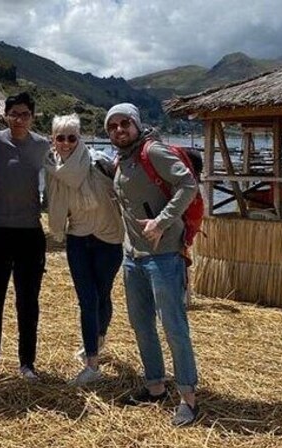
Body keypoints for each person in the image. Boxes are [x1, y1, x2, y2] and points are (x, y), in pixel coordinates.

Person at [105, 103, 201, 427]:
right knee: (141, 324)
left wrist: (161, 222)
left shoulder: (153, 151)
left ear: (136, 124)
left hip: (164, 257)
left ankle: (188, 397)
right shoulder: (122, 160)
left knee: (174, 326)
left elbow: (188, 184)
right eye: (112, 126)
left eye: (124, 124)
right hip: (133, 257)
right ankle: (155, 386)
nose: (119, 130)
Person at [0, 92, 50, 384]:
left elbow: (68, 167)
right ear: (6, 115)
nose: (19, 119)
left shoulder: (43, 145)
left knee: (28, 302)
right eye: (14, 113)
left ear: (32, 117)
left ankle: (27, 363)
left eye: (25, 114)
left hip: (30, 233)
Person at [44, 114, 124, 386]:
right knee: (87, 300)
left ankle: (99, 339)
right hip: (77, 238)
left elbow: (128, 186)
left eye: (72, 138)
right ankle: (92, 362)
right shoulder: (51, 167)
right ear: (52, 139)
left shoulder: (100, 162)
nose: (66, 143)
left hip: (108, 239)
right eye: (60, 138)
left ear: (80, 138)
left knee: (103, 295)